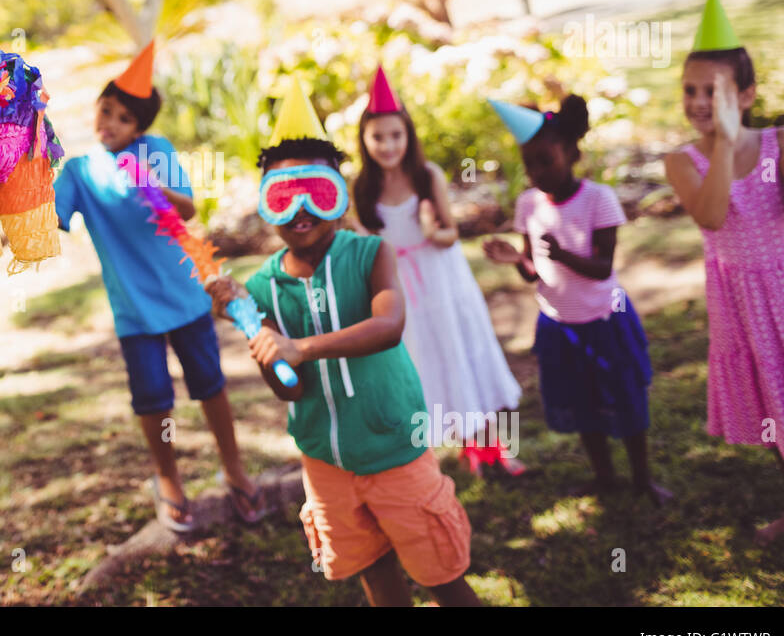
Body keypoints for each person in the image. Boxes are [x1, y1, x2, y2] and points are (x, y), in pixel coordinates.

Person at [208, 79, 480, 606]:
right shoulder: (262, 286)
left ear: (339, 194)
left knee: (440, 574)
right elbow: (288, 389)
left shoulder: (371, 253)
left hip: (395, 449)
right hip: (325, 461)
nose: (301, 208)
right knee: (374, 572)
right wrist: (256, 333)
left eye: (318, 190)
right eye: (283, 196)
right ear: (266, 205)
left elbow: (389, 326)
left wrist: (301, 348)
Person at [52, 42, 264, 532]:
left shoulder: (157, 150)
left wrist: (151, 185)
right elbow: (51, 223)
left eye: (123, 118)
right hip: (135, 309)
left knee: (210, 386)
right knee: (153, 399)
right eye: (106, 110)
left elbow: (186, 209)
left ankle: (233, 467)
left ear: (138, 128)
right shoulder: (80, 172)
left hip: (186, 295)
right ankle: (167, 478)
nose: (110, 123)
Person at [663, 0, 784, 544]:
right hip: (746, 301)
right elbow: (710, 215)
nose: (700, 101)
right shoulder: (683, 161)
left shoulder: (783, 140)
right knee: (779, 394)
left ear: (747, 94)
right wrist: (726, 145)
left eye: (716, 91)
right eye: (691, 90)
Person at [483, 95, 669, 503]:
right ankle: (604, 476)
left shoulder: (597, 198)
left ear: (570, 152)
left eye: (545, 160)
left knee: (625, 400)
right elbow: (533, 270)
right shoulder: (528, 204)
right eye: (528, 164)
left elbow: (603, 267)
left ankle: (642, 479)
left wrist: (561, 253)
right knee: (585, 405)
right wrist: (516, 259)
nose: (536, 172)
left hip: (604, 319)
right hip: (559, 323)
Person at [352, 66, 523, 476]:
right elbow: (368, 246)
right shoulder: (363, 188)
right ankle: (459, 443)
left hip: (442, 280)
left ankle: (494, 444)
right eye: (378, 137)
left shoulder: (427, 177)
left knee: (460, 349)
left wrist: (432, 229)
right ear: (364, 140)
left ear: (408, 136)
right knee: (425, 357)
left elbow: (449, 234)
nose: (388, 145)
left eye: (396, 135)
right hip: (401, 287)